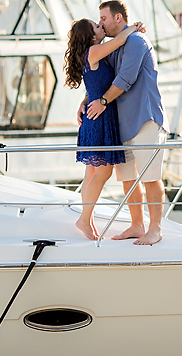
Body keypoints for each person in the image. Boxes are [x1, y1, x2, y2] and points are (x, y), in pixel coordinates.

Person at [80, 0, 169, 245]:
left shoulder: (137, 41)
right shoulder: (113, 45)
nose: (101, 23)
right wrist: (86, 100)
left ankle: (155, 229)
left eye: (104, 19)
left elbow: (125, 78)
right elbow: (102, 79)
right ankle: (137, 225)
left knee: (151, 178)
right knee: (128, 179)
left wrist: (103, 102)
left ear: (118, 18)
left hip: (145, 119)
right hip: (122, 124)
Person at [65, 17, 143, 240]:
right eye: (97, 27)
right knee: (103, 172)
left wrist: (85, 100)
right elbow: (119, 40)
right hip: (99, 117)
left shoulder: (90, 54)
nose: (102, 28)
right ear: (91, 36)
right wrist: (134, 28)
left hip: (96, 114)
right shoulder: (94, 51)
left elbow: (95, 85)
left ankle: (86, 218)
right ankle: (84, 218)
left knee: (90, 173)